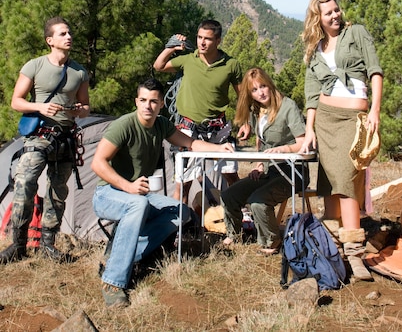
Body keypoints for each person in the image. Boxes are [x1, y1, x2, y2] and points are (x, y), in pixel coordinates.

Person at [91, 77, 235, 308]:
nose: (148, 106)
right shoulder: (124, 125)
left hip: (138, 195)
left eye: (154, 101)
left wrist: (219, 148)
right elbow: (98, 163)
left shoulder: (161, 125)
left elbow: (191, 144)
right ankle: (113, 282)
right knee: (138, 205)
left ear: (160, 105)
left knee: (182, 212)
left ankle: (121, 258)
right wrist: (127, 186)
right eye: (143, 100)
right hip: (108, 194)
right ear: (136, 101)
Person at [301, 0, 383, 280]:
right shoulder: (314, 49)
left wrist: (375, 110)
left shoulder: (356, 33)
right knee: (329, 183)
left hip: (353, 118)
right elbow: (311, 95)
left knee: (347, 181)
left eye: (336, 10)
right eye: (328, 13)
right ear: (318, 19)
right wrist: (310, 129)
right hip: (325, 120)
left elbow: (375, 71)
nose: (335, 15)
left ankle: (355, 253)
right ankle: (334, 246)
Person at [0, 17, 90, 264]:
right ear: (50, 41)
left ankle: (48, 245)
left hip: (66, 137)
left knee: (58, 192)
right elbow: (16, 101)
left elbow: (86, 107)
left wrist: (80, 110)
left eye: (70, 32)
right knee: (25, 183)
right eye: (62, 34)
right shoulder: (35, 66)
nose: (68, 36)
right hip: (40, 136)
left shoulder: (80, 71)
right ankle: (17, 245)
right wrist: (40, 106)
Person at [153, 19, 249, 203]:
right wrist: (172, 47)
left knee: (231, 176)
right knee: (183, 183)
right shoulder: (188, 60)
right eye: (199, 37)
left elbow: (241, 96)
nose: (202, 42)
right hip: (188, 129)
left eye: (207, 39)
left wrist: (245, 121)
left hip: (219, 129)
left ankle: (242, 218)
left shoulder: (231, 65)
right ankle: (181, 226)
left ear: (218, 40)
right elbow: (159, 66)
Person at [221, 67, 308, 255]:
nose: (260, 92)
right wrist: (260, 165)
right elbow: (261, 142)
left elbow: (302, 143)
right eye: (254, 90)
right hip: (269, 171)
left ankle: (272, 240)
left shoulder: (288, 106)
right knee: (230, 195)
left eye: (263, 86)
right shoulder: (255, 111)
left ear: (269, 84)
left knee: (257, 201)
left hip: (293, 171)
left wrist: (283, 149)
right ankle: (235, 234)